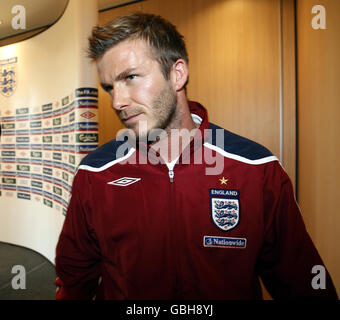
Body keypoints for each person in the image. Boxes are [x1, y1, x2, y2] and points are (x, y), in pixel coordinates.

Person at [55, 13, 338, 300]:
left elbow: (303, 281)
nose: (118, 102)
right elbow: (74, 280)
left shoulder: (255, 167)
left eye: (130, 77)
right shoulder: (95, 172)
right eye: (109, 87)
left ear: (177, 74)